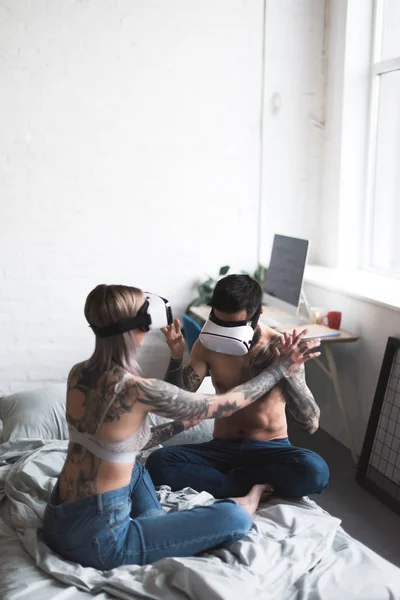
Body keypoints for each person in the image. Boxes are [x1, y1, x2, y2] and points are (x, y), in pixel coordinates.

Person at [42, 283, 319, 570]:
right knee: (235, 519)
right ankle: (246, 498)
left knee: (135, 466)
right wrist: (280, 368)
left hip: (58, 518)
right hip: (101, 540)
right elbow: (227, 404)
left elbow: (129, 442)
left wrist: (183, 422)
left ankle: (157, 528)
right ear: (137, 329)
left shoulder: (79, 373)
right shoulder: (138, 389)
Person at [147, 274, 329, 500]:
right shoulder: (208, 344)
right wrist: (176, 357)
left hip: (270, 448)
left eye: (234, 325)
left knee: (315, 472)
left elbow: (310, 422)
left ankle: (228, 482)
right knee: (158, 463)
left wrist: (288, 371)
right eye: (220, 322)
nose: (225, 331)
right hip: (222, 448)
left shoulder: (281, 348)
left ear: (258, 314)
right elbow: (176, 402)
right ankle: (248, 485)